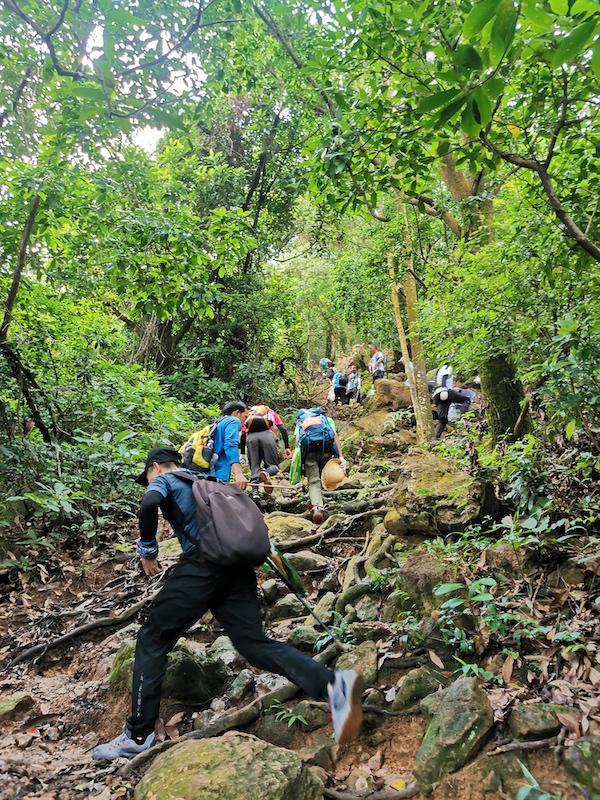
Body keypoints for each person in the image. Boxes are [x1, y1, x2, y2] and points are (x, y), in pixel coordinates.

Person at [92, 447, 363, 760]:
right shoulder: (205, 480)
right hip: (236, 569)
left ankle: (138, 735)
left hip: (203, 566)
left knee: (152, 639)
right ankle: (335, 687)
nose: (149, 481)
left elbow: (149, 502)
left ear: (154, 467)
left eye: (148, 475)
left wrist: (148, 550)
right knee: (254, 645)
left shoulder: (164, 480)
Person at [295, 408, 347, 525]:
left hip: (310, 453)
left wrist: (298, 461)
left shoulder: (302, 421)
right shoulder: (326, 420)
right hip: (327, 451)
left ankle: (317, 507)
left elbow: (298, 439)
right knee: (325, 478)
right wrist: (340, 456)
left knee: (313, 481)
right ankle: (317, 501)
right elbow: (334, 436)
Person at [181, 401, 248, 488]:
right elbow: (230, 446)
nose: (246, 421)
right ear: (237, 412)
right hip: (218, 473)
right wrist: (238, 473)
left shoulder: (219, 422)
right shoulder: (234, 421)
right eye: (245, 416)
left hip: (207, 472)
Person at [240, 404, 292, 499]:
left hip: (251, 439)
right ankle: (266, 474)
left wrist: (242, 453)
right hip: (268, 438)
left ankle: (255, 493)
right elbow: (282, 429)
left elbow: (243, 434)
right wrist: (287, 447)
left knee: (254, 467)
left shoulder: (251, 415)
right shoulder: (271, 413)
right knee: (274, 467)